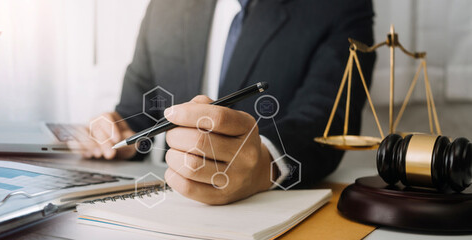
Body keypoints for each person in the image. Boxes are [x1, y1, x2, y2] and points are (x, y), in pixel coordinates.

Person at [81, 0, 375, 204]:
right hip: (152, 205)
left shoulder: (339, 6)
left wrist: (261, 165)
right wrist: (117, 135)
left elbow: (326, 120)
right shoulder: (165, 6)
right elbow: (138, 114)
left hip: (261, 210)